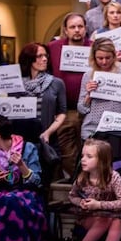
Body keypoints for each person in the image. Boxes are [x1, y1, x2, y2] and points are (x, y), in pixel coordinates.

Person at [48, 13, 92, 176]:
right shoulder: (53, 47)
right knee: (67, 151)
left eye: (80, 26)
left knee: (88, 149)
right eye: (72, 27)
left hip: (89, 108)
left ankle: (87, 183)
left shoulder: (93, 46)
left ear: (85, 29)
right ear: (65, 30)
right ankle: (75, 182)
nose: (77, 30)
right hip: (63, 111)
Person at [69, 139, 121, 241]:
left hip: (112, 217)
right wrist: (80, 202)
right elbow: (72, 196)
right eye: (82, 156)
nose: (83, 160)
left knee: (118, 220)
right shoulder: (82, 178)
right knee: (105, 219)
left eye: (89, 156)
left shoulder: (113, 177)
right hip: (89, 218)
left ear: (102, 160)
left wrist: (99, 205)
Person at [77, 38, 121, 140]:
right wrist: (88, 95)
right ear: (94, 57)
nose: (104, 62)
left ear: (114, 56)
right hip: (93, 128)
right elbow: (81, 109)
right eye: (100, 58)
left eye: (108, 57)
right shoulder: (88, 75)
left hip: (119, 125)